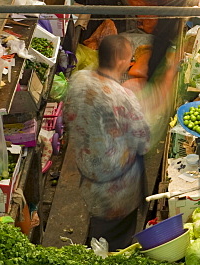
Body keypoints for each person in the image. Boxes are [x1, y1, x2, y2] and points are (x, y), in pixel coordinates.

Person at [64, 34, 151, 250]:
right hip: (118, 188)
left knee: (98, 227)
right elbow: (143, 141)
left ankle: (93, 250)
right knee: (115, 240)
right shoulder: (123, 97)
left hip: (90, 179)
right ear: (121, 60)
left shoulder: (78, 80)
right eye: (129, 58)